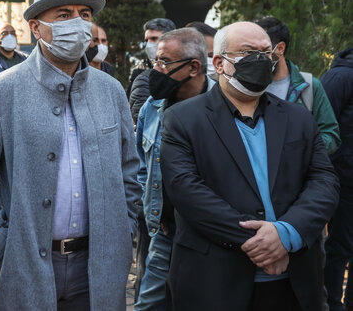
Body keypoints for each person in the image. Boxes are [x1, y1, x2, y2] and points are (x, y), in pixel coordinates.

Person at [0, 0, 141, 311]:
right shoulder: (1, 91)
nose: (77, 23)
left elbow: (131, 168)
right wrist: (2, 245)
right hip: (27, 263)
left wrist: (123, 229)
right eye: (63, 15)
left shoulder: (110, 90)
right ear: (36, 28)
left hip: (98, 264)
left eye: (84, 15)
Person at [160, 21, 339, 310]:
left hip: (293, 281)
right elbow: (186, 191)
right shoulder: (182, 119)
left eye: (266, 53)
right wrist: (264, 243)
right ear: (219, 63)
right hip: (214, 281)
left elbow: (324, 182)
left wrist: (286, 234)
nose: (260, 60)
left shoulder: (298, 118)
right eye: (247, 52)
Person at [134, 27, 216, 310]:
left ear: (194, 67)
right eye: (155, 61)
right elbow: (140, 166)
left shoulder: (226, 106)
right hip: (165, 234)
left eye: (164, 62)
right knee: (149, 304)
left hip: (213, 240)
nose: (156, 70)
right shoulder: (152, 107)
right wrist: (151, 209)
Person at [256, 16, 340, 155]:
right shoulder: (248, 87)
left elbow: (330, 135)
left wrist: (299, 149)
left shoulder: (309, 86)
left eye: (261, 50)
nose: (255, 56)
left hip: (299, 173)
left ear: (280, 48)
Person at [321, 47, 353, 311]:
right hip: (344, 181)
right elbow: (323, 128)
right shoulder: (341, 77)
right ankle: (332, 304)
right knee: (340, 247)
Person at [129, 18, 176, 122]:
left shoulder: (180, 69)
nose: (149, 45)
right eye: (147, 40)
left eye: (154, 39)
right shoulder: (138, 72)